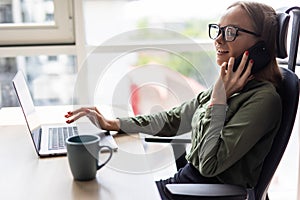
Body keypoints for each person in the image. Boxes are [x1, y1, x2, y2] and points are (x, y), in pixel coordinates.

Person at [65, 1, 282, 199]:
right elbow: (174, 119)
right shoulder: (232, 87)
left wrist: (218, 100)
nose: (218, 39)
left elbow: (208, 165)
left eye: (231, 32)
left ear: (260, 48)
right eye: (218, 30)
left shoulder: (263, 100)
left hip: (201, 194)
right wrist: (115, 124)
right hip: (183, 184)